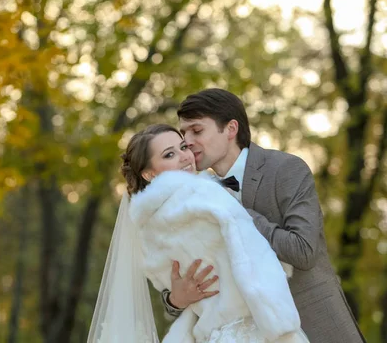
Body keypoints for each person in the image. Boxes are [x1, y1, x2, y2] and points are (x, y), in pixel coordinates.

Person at [161, 88, 365, 343]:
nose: (187, 141)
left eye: (197, 130)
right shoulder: (191, 195)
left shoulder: (287, 169)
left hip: (313, 327)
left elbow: (304, 252)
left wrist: (237, 213)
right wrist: (174, 300)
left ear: (231, 129)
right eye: (183, 133)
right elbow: (171, 271)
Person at [87, 123, 309, 343]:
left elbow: (176, 285)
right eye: (169, 154)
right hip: (255, 328)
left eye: (183, 147)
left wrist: (175, 300)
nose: (185, 157)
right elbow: (253, 262)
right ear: (149, 173)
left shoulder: (150, 226)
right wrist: (281, 323)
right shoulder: (201, 200)